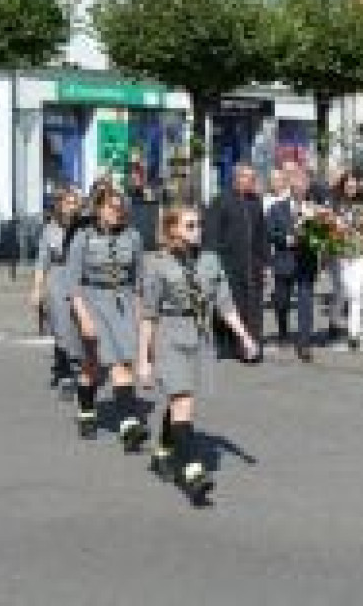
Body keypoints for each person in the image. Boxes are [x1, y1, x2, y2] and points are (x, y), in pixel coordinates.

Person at [139, 205, 259, 506]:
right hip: (170, 335)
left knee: (180, 399)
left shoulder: (210, 261)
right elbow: (148, 316)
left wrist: (244, 336)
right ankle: (193, 474)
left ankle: (163, 451)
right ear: (173, 230)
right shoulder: (156, 264)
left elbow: (225, 303)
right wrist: (143, 360)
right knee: (183, 402)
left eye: (199, 225)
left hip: (200, 336)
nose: (198, 230)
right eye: (190, 226)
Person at [66, 186, 148, 447]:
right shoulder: (83, 236)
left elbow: (138, 281)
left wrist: (140, 317)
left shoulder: (133, 237)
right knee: (100, 362)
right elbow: (73, 283)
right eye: (113, 207)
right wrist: (84, 317)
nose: (118, 211)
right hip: (91, 301)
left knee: (118, 362)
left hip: (121, 302)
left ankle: (128, 425)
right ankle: (90, 412)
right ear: (99, 209)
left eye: (121, 206)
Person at [205, 164, 268, 364]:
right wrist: (213, 264)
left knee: (253, 308)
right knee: (227, 306)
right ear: (237, 178)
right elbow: (211, 235)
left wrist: (266, 262)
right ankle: (223, 345)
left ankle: (249, 347)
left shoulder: (255, 202)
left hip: (252, 266)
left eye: (253, 177)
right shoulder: (221, 201)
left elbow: (261, 236)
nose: (252, 181)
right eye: (248, 177)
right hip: (228, 264)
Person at [30, 186, 83, 397]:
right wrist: (36, 289)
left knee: (77, 325)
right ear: (60, 205)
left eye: (75, 202)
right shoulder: (50, 229)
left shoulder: (84, 228)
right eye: (69, 202)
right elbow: (42, 262)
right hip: (57, 278)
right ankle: (65, 373)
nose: (73, 206)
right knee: (61, 325)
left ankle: (79, 366)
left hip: (78, 278)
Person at [267, 168, 319, 363]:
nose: (300, 189)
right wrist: (286, 239)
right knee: (282, 301)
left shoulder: (315, 208)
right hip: (284, 259)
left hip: (307, 261)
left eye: (303, 185)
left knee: (306, 302)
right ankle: (282, 332)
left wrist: (319, 239)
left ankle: (304, 343)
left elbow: (324, 233)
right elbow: (270, 233)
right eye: (296, 186)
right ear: (290, 187)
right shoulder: (277, 208)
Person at [329, 172, 363, 350]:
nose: (351, 188)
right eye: (348, 185)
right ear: (343, 186)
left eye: (354, 185)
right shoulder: (335, 205)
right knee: (341, 290)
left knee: (356, 292)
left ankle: (353, 333)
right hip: (340, 253)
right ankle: (334, 321)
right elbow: (327, 229)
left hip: (360, 252)